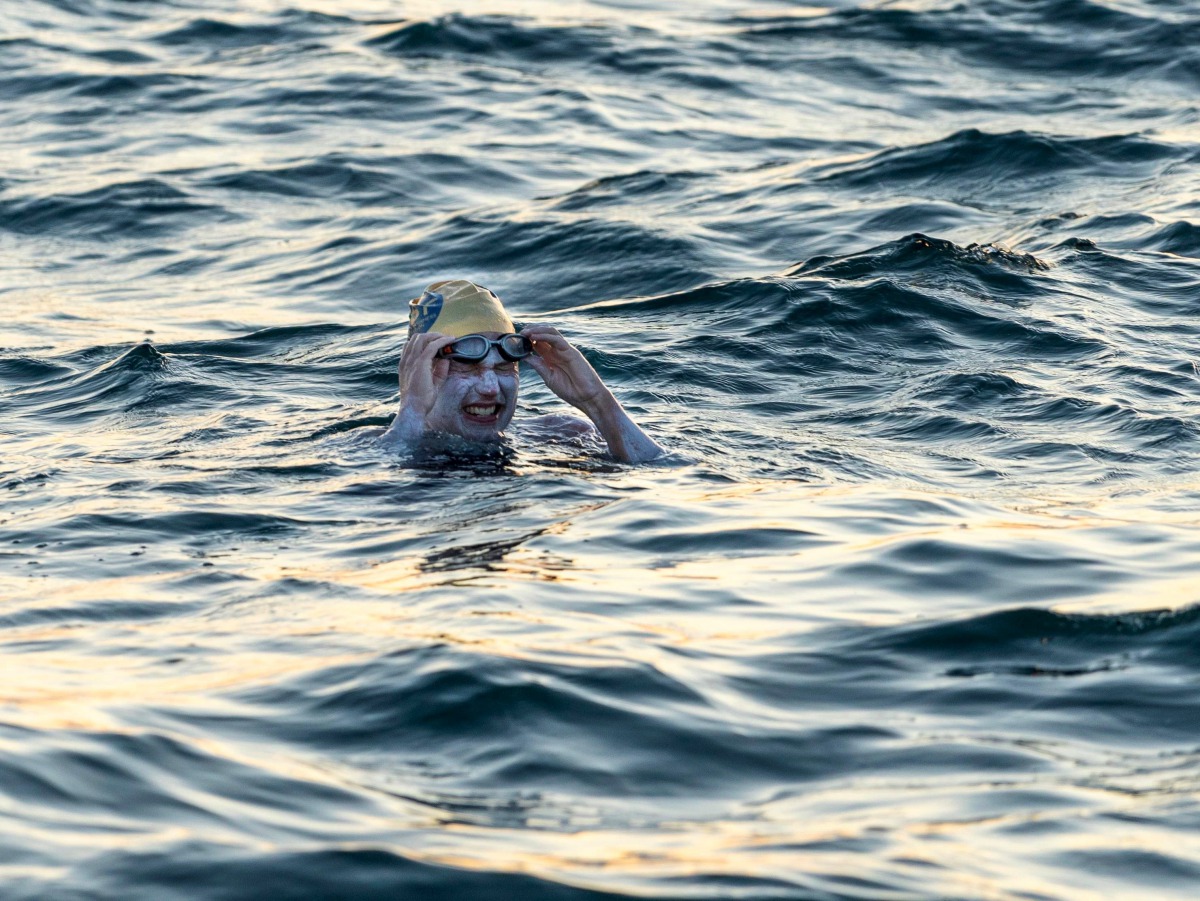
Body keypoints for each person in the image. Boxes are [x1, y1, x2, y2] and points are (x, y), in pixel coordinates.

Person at [379, 279, 663, 463]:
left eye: (504, 367)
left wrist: (598, 403)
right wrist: (412, 410)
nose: (491, 388)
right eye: (468, 367)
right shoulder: (372, 448)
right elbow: (380, 504)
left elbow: (661, 473)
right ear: (420, 370)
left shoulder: (560, 434)